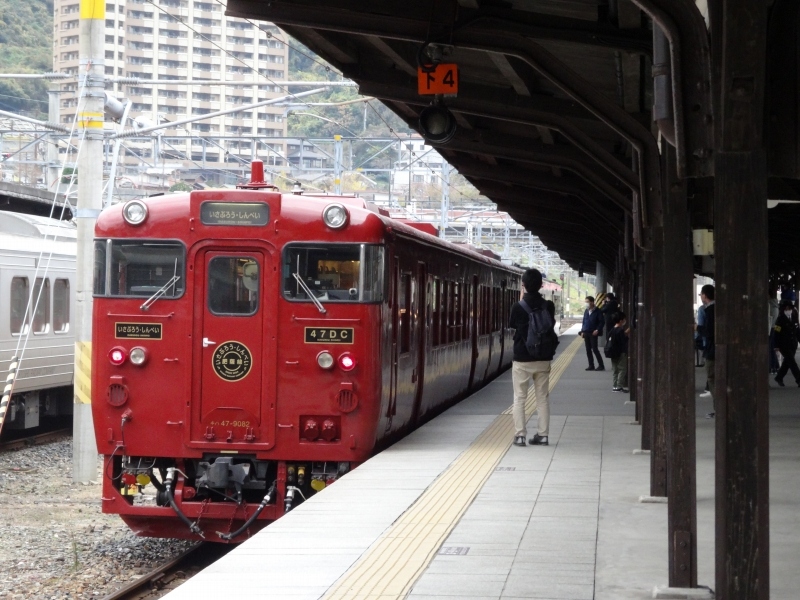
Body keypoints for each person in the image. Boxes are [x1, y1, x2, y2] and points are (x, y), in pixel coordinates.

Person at [508, 268, 557, 447]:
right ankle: (543, 435)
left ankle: (520, 436)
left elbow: (512, 324)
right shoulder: (548, 306)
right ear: (541, 285)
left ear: (524, 285)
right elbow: (550, 324)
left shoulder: (517, 306)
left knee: (519, 398)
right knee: (542, 398)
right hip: (543, 357)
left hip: (522, 358)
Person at [697, 284, 715, 418]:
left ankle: (719, 409)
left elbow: (708, 332)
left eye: (701, 294)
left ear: (705, 295)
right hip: (715, 349)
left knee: (713, 379)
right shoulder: (716, 309)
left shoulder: (708, 310)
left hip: (712, 350)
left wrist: (697, 328)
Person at [773, 299, 800, 387]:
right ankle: (799, 379)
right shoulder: (780, 319)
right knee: (792, 362)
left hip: (793, 344)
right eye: (787, 308)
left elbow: (797, 331)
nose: (788, 310)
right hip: (784, 345)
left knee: (787, 362)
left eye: (790, 308)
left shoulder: (794, 317)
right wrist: (776, 345)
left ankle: (779, 377)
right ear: (783, 309)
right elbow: (776, 333)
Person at [580, 296, 605, 371]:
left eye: (587, 302)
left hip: (593, 333)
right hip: (586, 332)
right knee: (588, 350)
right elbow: (584, 321)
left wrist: (597, 330)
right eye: (585, 302)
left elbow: (602, 322)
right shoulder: (586, 311)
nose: (586, 303)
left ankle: (601, 365)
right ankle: (591, 365)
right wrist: (582, 331)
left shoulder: (598, 311)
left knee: (594, 349)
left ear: (592, 302)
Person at [607, 312, 630, 392]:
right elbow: (623, 341)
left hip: (612, 352)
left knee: (615, 369)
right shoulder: (620, 330)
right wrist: (627, 336)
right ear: (620, 321)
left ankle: (615, 386)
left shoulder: (612, 330)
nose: (624, 321)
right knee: (622, 369)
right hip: (620, 352)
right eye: (624, 319)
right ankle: (619, 386)